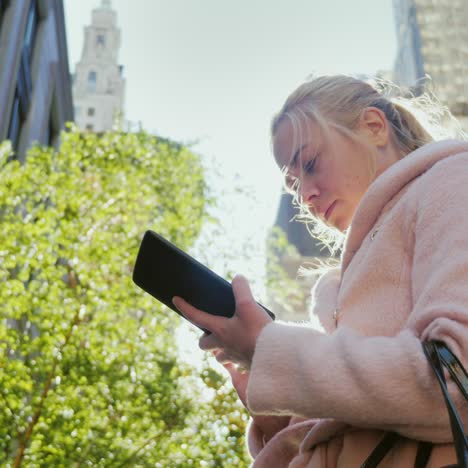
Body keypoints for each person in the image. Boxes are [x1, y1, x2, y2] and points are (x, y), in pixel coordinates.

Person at [173, 74, 468, 467]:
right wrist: (277, 404)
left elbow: (454, 380)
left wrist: (271, 352)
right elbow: (371, 417)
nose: (305, 195)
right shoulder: (343, 284)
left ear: (374, 127)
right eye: (293, 186)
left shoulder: (451, 179)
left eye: (310, 164)